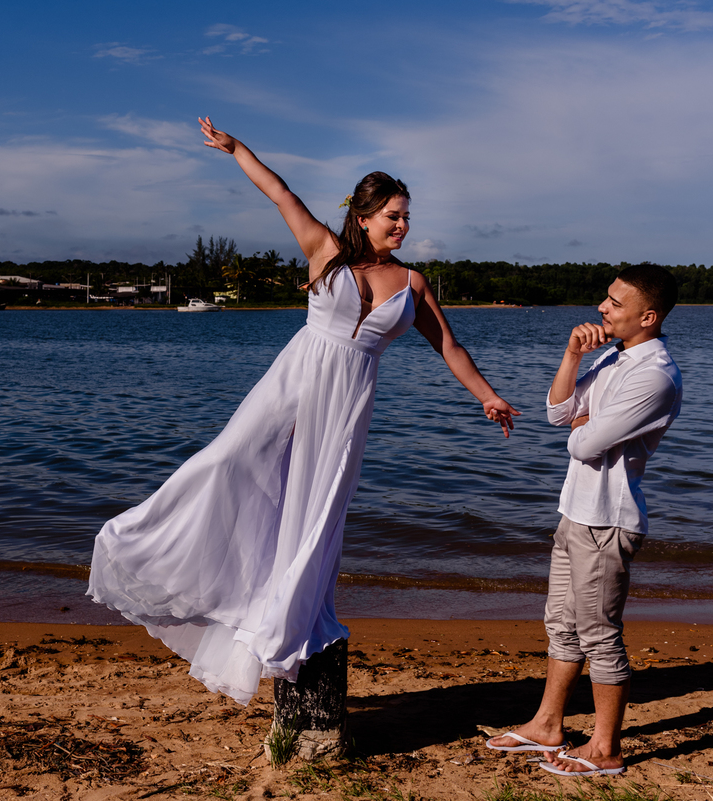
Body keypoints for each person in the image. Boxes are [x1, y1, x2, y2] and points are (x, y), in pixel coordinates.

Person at [87, 117, 519, 705]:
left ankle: (291, 613)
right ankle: (147, 544)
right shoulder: (325, 250)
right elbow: (280, 193)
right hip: (293, 382)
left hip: (345, 402)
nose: (404, 225)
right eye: (394, 215)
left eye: (408, 216)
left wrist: (487, 395)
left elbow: (449, 346)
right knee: (228, 462)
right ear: (363, 216)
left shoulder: (413, 283)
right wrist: (237, 149)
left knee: (317, 507)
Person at [486, 264, 682, 776]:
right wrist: (574, 355)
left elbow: (582, 442)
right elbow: (557, 414)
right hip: (576, 511)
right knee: (562, 626)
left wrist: (582, 421)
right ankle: (548, 724)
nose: (603, 308)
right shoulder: (615, 358)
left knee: (599, 634)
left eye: (616, 303)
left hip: (607, 520)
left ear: (648, 316)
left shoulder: (654, 375)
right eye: (606, 299)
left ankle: (605, 749)